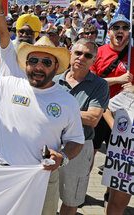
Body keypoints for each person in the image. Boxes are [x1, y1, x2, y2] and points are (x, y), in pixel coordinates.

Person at [0, 35, 84, 215]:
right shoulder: (8, 85)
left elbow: (76, 140)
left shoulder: (68, 101)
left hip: (45, 176)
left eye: (46, 62)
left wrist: (62, 157)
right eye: (33, 60)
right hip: (8, 175)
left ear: (56, 67)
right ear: (25, 64)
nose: (39, 66)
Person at [52, 39, 109, 215]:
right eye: (78, 53)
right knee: (45, 195)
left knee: (71, 200)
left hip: (80, 146)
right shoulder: (54, 78)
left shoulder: (100, 84)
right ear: (70, 53)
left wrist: (55, 111)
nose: (81, 58)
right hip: (50, 144)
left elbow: (93, 118)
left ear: (94, 61)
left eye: (88, 55)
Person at [89, 14, 132, 165]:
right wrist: (118, 80)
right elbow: (91, 82)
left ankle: (110, 190)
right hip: (99, 111)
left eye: (125, 28)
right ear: (109, 32)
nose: (120, 30)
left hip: (124, 114)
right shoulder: (98, 52)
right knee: (90, 155)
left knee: (118, 160)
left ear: (129, 33)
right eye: (116, 27)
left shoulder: (133, 54)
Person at [103, 86, 134, 215]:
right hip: (127, 160)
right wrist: (115, 128)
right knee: (116, 205)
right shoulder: (129, 95)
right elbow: (105, 108)